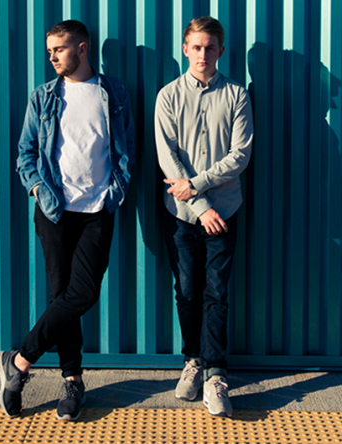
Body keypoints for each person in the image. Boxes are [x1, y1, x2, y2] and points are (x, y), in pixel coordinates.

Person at [0, 20, 134, 421]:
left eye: (59, 49)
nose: (52, 57)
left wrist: (117, 189)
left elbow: (126, 149)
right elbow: (25, 153)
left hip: (98, 210)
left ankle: (19, 361)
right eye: (50, 51)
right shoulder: (43, 96)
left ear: (82, 48)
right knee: (62, 296)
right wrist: (38, 189)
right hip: (55, 210)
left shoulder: (113, 93)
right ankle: (73, 380)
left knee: (82, 294)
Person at [155, 16, 253, 418]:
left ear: (221, 51)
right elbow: (167, 157)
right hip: (182, 215)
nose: (202, 54)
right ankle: (192, 361)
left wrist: (196, 187)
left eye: (210, 47)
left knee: (217, 293)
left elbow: (240, 155)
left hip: (224, 211)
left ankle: (216, 373)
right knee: (187, 291)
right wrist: (200, 206)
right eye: (196, 47)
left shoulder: (236, 95)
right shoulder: (168, 96)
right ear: (185, 49)